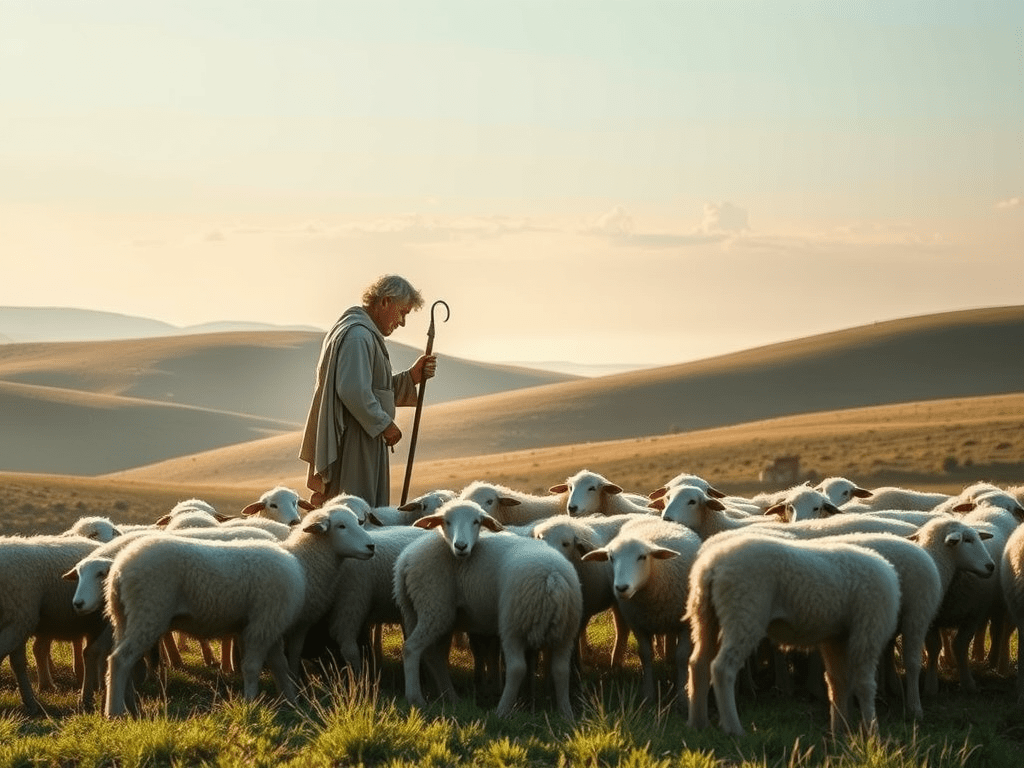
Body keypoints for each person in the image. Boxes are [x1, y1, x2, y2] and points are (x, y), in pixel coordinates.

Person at [299, 275, 437, 507]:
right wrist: (384, 424)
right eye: (402, 312)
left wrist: (412, 377)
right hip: (356, 442)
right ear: (385, 301)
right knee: (356, 513)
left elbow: (372, 389)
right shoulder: (358, 336)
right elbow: (353, 391)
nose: (402, 322)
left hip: (364, 435)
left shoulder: (360, 332)